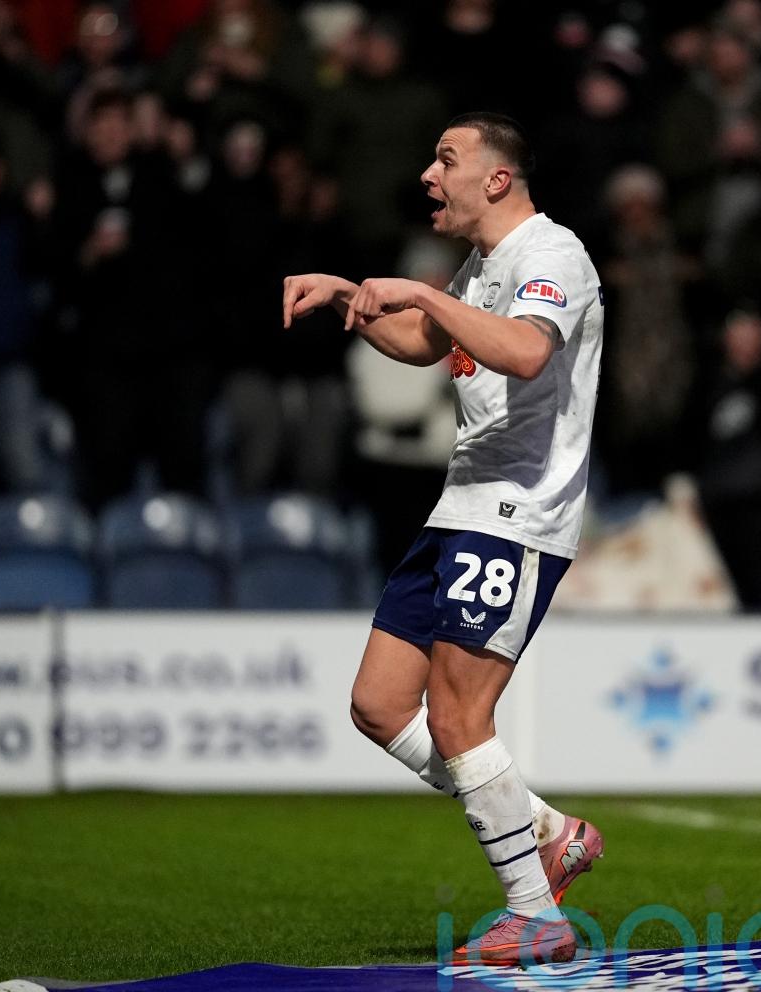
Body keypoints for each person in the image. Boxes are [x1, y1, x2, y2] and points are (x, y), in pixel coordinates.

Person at [283, 112, 604, 967]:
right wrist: (348, 296)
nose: (429, 174)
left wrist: (425, 292)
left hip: (517, 514)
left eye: (446, 159)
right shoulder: (483, 266)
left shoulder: (550, 254)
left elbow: (526, 354)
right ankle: (545, 829)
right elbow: (425, 344)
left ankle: (536, 915)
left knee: (460, 715)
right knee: (379, 705)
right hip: (460, 507)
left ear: (496, 179)